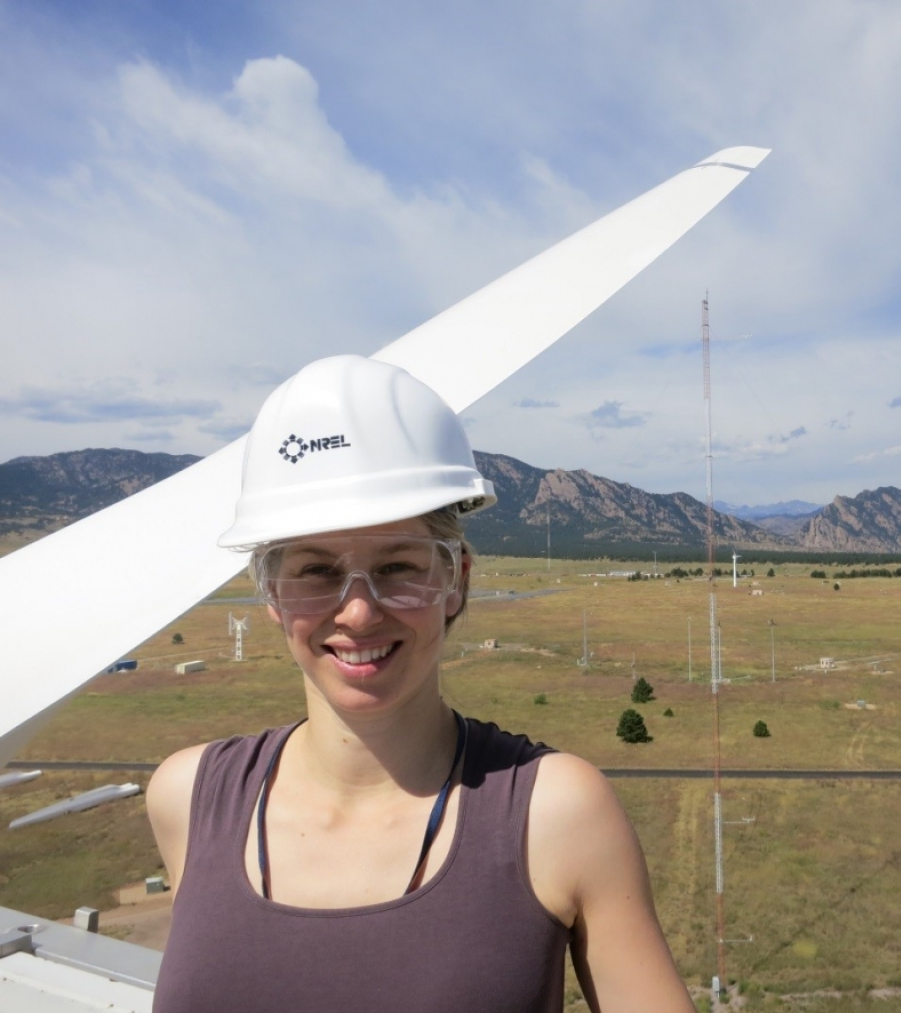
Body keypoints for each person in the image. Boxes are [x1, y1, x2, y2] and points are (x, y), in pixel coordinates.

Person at [146, 356, 693, 1012]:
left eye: (399, 566)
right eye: (316, 571)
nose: (357, 610)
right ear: (270, 592)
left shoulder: (555, 813)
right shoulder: (189, 799)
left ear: (456, 578)